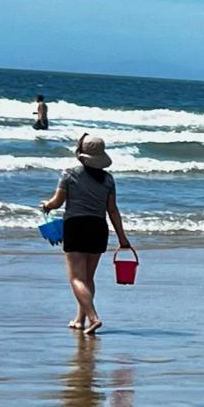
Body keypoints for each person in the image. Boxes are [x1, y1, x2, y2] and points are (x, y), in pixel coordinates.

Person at [40, 134, 131, 333]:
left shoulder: (69, 174)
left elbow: (57, 202)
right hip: (99, 228)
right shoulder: (108, 179)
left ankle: (93, 318)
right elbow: (113, 210)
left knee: (76, 279)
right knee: (88, 278)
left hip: (76, 226)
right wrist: (122, 238)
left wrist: (46, 205)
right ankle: (80, 320)